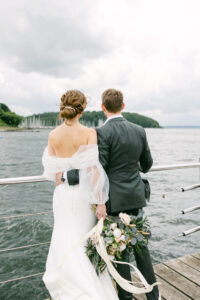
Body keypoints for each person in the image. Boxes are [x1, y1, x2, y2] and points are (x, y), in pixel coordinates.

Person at [57, 89, 160, 300]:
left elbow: (97, 169)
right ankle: (154, 296)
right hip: (136, 197)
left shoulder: (101, 133)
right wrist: (130, 168)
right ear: (123, 106)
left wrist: (68, 176)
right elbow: (147, 165)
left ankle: (126, 297)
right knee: (141, 248)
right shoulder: (139, 130)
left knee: (119, 250)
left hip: (113, 200)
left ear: (103, 108)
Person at [42, 90, 119, 299]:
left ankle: (68, 284)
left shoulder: (53, 135)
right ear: (82, 109)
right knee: (82, 239)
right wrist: (100, 201)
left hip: (63, 195)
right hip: (83, 195)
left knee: (64, 235)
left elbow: (50, 172)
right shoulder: (88, 133)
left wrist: (62, 175)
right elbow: (93, 171)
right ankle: (87, 286)